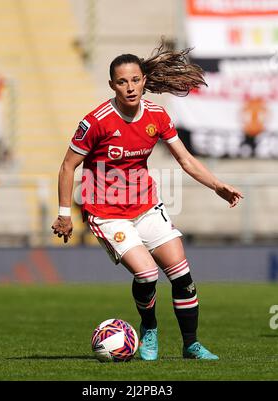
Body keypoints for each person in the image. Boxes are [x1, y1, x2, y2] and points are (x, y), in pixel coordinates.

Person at [52, 43, 243, 361]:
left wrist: (217, 185)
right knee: (147, 274)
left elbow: (185, 159)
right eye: (122, 82)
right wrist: (64, 213)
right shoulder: (96, 121)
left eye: (135, 80)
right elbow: (68, 165)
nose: (130, 87)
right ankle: (149, 328)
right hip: (107, 213)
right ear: (112, 84)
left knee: (181, 274)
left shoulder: (157, 115)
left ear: (144, 80)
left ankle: (191, 345)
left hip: (145, 206)